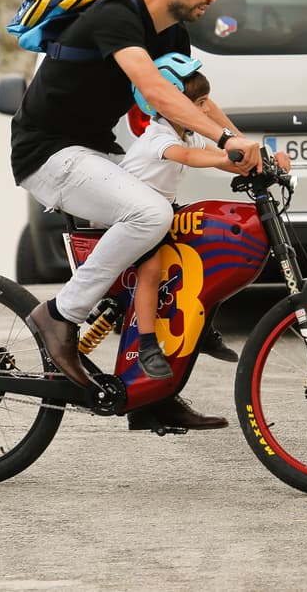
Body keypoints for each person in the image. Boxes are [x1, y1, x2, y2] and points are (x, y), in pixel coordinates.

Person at [10, 0, 261, 431]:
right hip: (47, 150)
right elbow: (154, 90)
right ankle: (60, 315)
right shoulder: (117, 15)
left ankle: (149, 393)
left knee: (168, 249)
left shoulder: (172, 36)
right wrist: (222, 144)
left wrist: (249, 145)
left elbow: (194, 100)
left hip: (95, 150)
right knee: (149, 213)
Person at [120, 67, 286, 380]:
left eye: (205, 101)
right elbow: (189, 157)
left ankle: (203, 329)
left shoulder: (189, 132)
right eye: (198, 103)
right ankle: (147, 345)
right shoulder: (157, 137)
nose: (204, 110)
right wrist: (230, 157)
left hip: (161, 209)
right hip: (133, 215)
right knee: (152, 270)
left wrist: (263, 163)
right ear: (167, 106)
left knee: (209, 250)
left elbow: (215, 154)